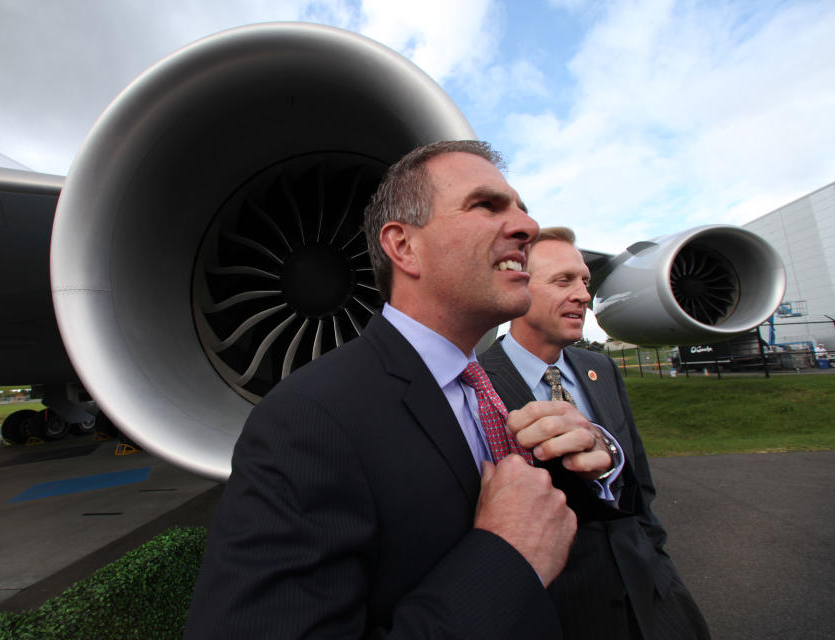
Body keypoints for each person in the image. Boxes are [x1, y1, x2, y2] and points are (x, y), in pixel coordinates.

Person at [185, 141, 584, 638]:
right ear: (403, 246)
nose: (527, 227)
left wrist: (597, 458)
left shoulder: (488, 386)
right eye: (487, 205)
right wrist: (505, 559)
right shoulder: (306, 419)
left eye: (522, 208)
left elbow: (539, 515)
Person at [479, 227, 710, 640]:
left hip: (652, 595)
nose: (584, 295)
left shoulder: (601, 370)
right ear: (517, 286)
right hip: (556, 613)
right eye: (564, 281)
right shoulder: (476, 384)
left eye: (584, 281)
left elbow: (639, 484)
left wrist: (657, 560)